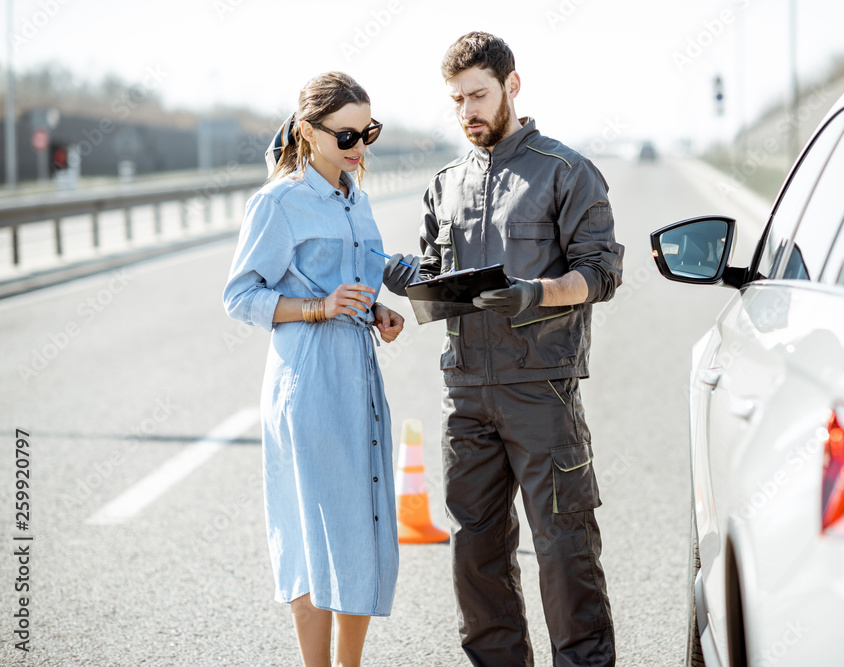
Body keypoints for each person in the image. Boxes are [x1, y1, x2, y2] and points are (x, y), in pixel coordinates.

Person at [382, 32, 624, 667]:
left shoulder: (566, 171)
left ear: (513, 86)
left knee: (563, 544)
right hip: (464, 391)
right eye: (457, 100)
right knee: (476, 551)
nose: (467, 112)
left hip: (540, 389)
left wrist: (535, 294)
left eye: (479, 96)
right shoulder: (446, 184)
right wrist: (392, 271)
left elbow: (600, 274)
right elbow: (435, 275)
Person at [223, 71, 405, 667]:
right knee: (312, 534)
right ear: (308, 131)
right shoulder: (278, 203)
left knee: (364, 523)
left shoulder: (360, 199)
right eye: (346, 134)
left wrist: (373, 308)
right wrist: (318, 308)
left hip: (359, 374)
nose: (359, 146)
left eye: (368, 132)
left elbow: (357, 276)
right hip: (307, 383)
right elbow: (240, 297)